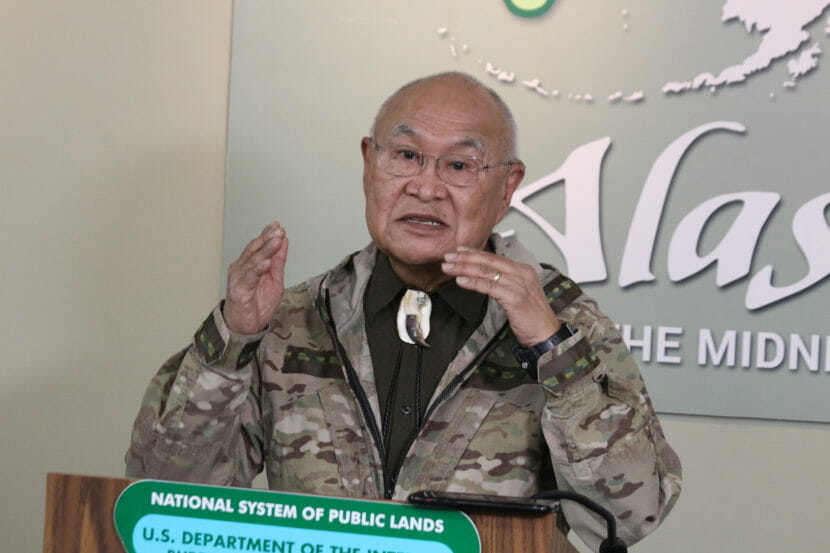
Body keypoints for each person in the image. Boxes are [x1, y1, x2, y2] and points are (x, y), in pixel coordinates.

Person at [126, 71, 681, 551]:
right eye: (406, 155)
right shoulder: (292, 318)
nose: (425, 187)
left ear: (507, 186)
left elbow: (628, 522)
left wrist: (551, 350)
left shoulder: (563, 323)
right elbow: (163, 496)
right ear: (370, 162)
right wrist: (231, 339)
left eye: (461, 165)